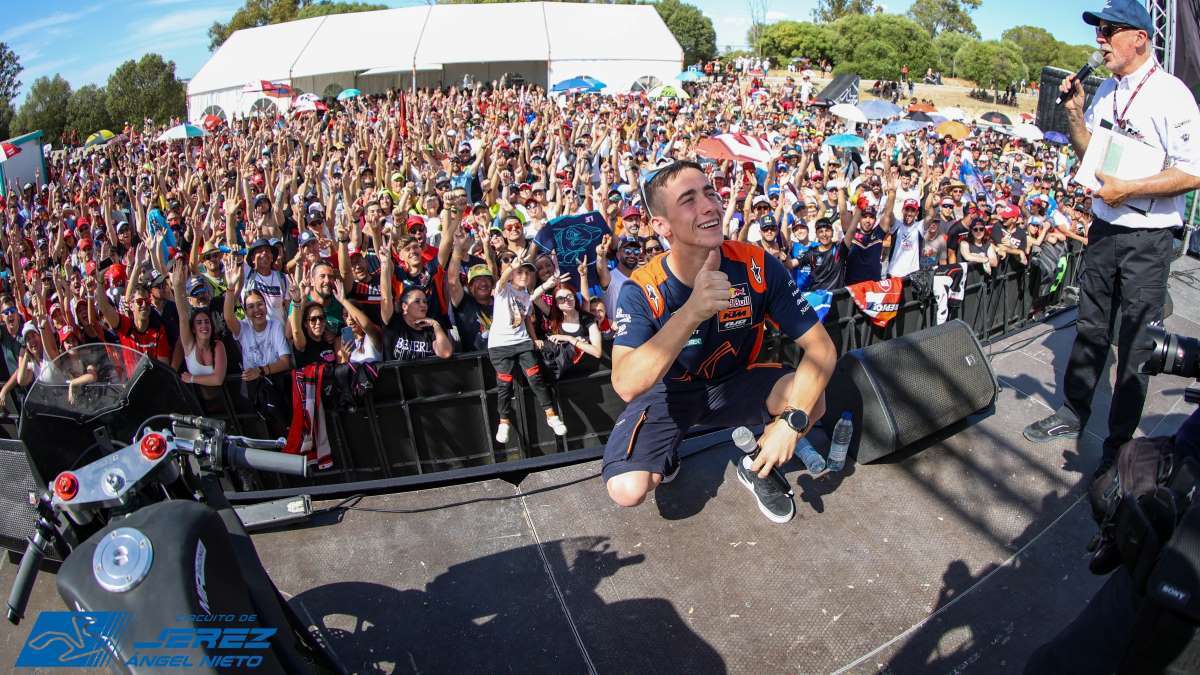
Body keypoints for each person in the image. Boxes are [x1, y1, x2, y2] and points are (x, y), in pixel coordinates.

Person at [604, 161, 836, 524]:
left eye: (710, 192)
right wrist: (691, 311)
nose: (710, 205)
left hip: (736, 382)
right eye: (689, 199)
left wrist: (791, 423)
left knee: (812, 398)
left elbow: (822, 349)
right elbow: (626, 384)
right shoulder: (643, 287)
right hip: (671, 393)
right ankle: (668, 453)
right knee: (626, 489)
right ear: (661, 226)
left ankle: (756, 466)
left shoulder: (758, 265)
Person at [1023, 0, 1200, 475]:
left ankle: (1119, 444)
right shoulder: (1108, 92)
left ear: (1139, 37)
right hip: (1105, 227)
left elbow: (1192, 172)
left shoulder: (1172, 95)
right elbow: (1090, 154)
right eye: (1099, 32)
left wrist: (1132, 189)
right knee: (1091, 327)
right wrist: (1077, 116)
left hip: (1149, 237)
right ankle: (1074, 410)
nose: (1100, 40)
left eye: (1109, 32)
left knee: (1139, 341)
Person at [487, 247, 568, 443]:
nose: (524, 275)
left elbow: (527, 319)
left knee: (535, 378)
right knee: (504, 384)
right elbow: (502, 280)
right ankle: (504, 421)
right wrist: (511, 267)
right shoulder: (502, 290)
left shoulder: (525, 294)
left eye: (527, 272)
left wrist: (533, 339)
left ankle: (551, 416)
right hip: (500, 345)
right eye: (519, 271)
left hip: (522, 341)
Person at [169, 262, 227, 388]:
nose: (204, 326)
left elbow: (218, 379)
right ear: (193, 330)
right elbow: (183, 318)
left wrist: (192, 378)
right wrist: (178, 287)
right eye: (199, 323)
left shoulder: (218, 346)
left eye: (207, 322)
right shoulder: (189, 345)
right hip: (199, 404)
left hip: (224, 402)